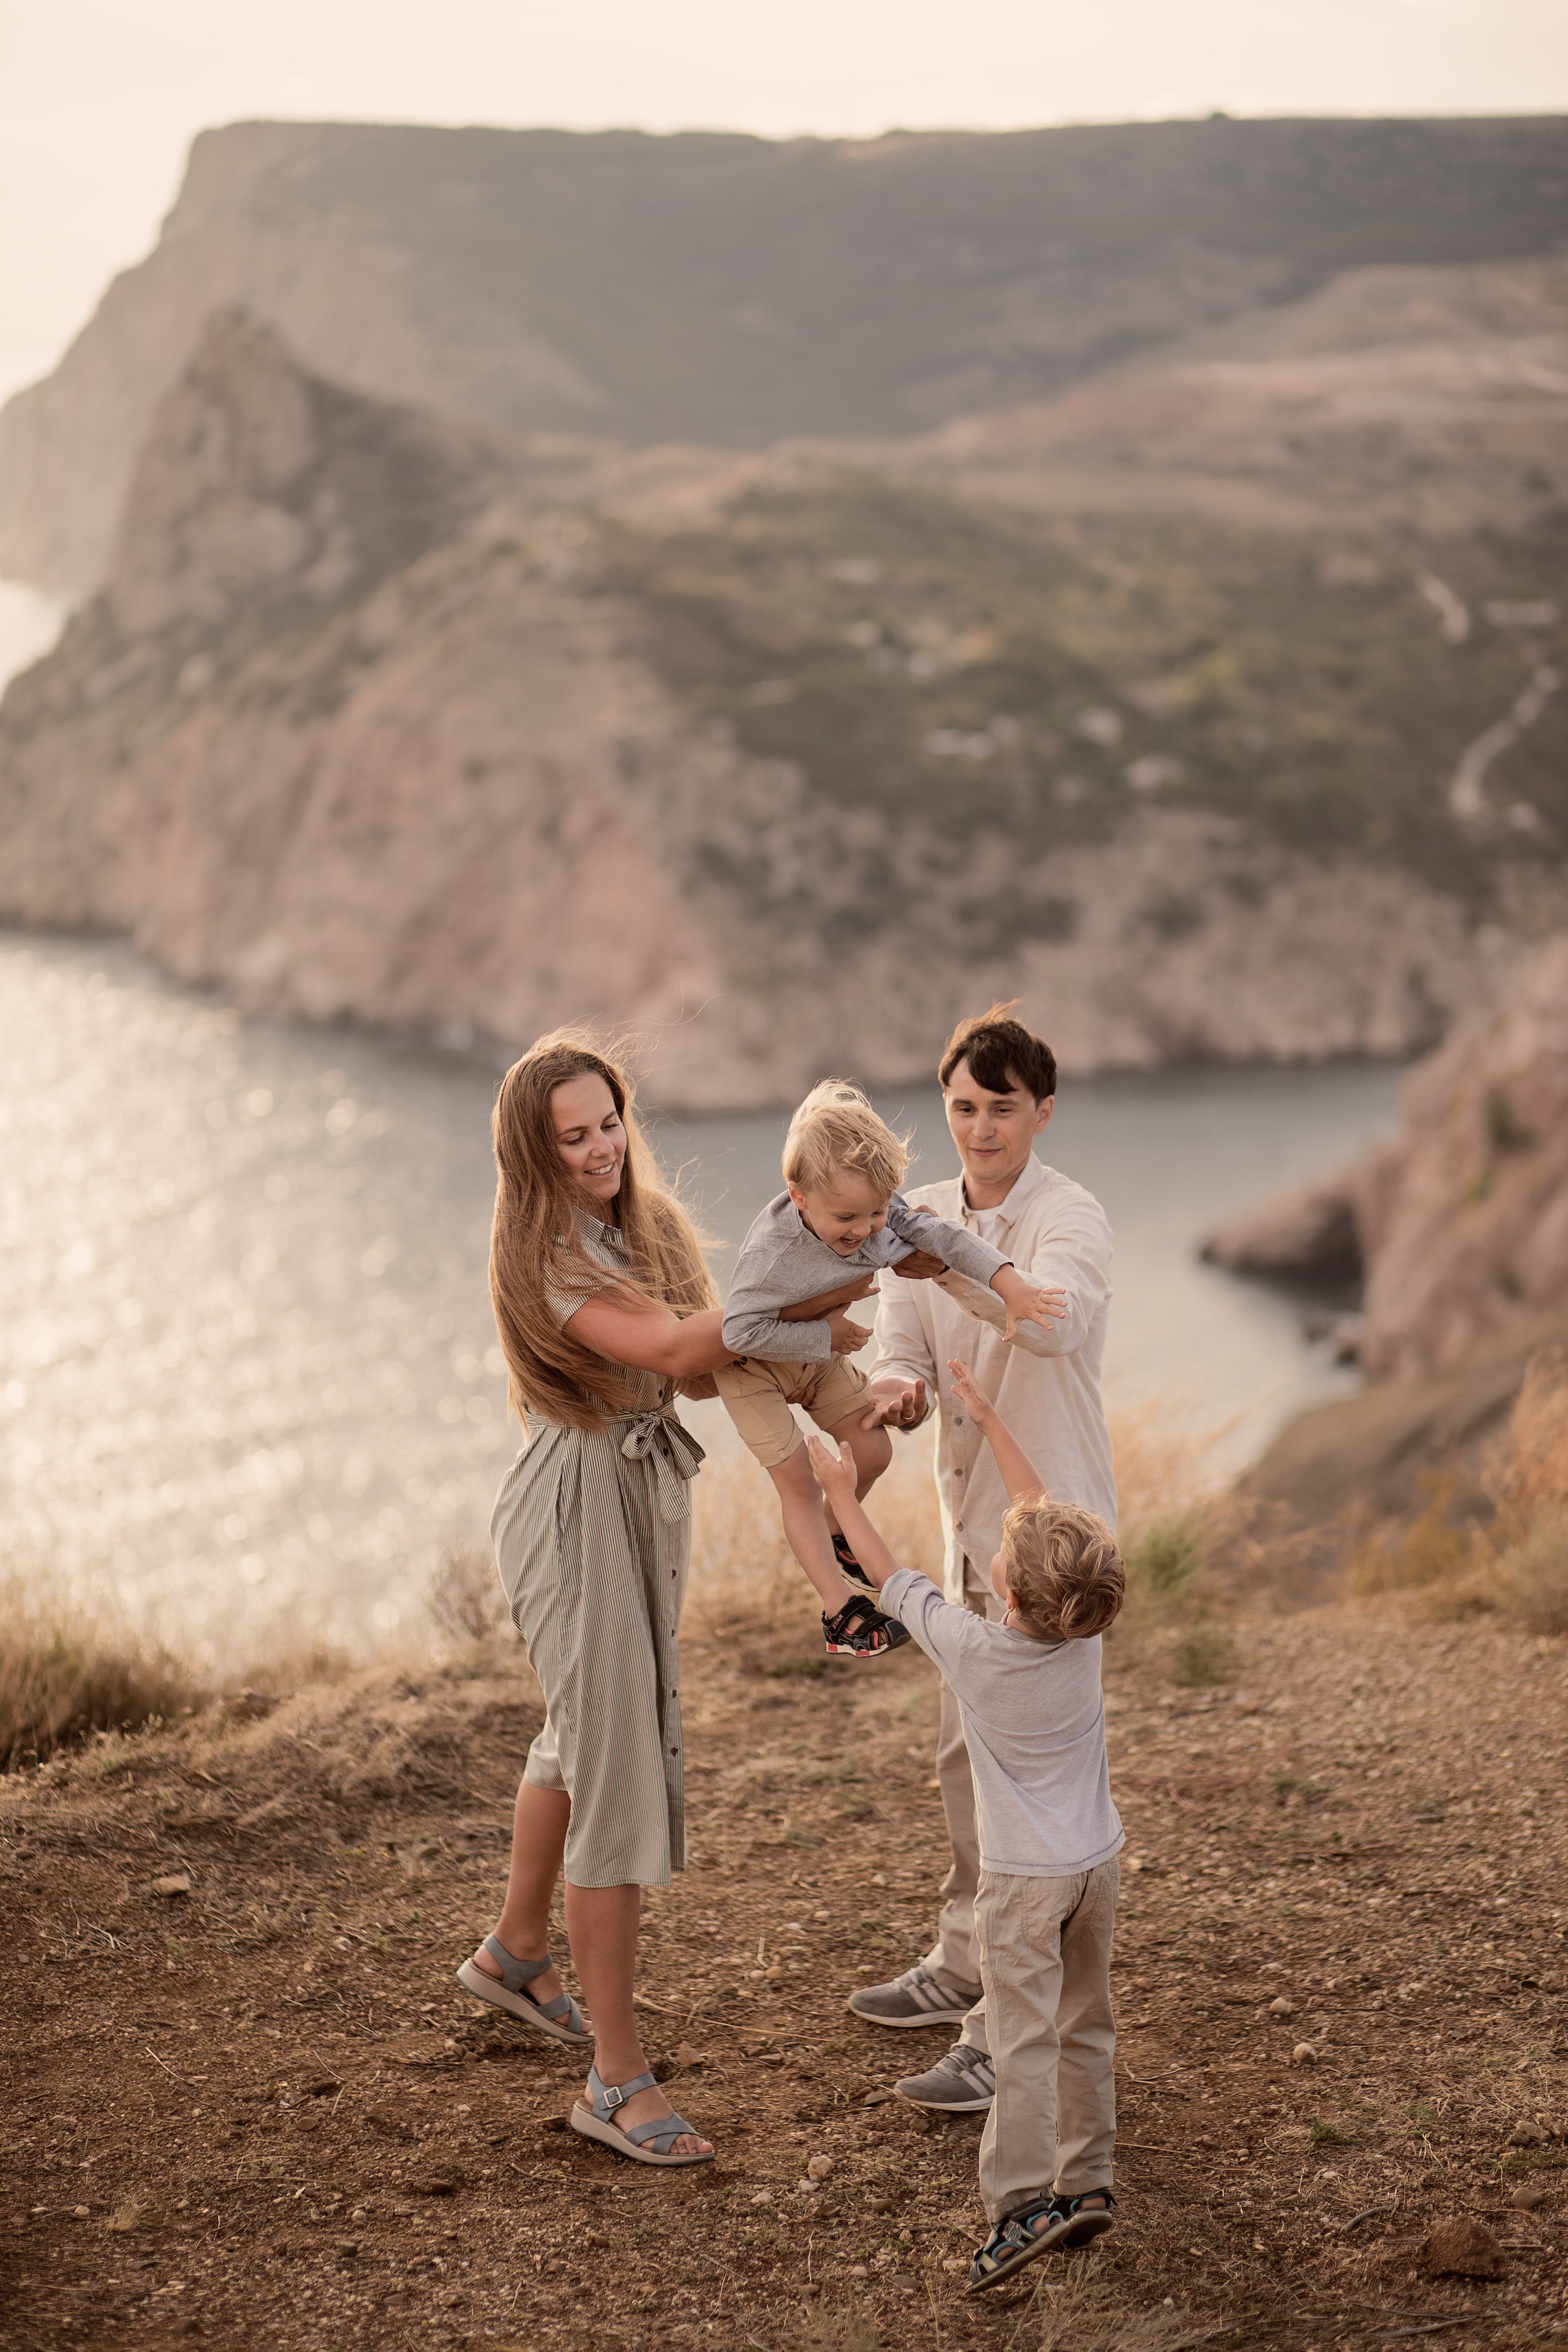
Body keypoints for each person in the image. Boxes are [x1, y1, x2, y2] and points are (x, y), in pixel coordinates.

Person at [454, 1031, 741, 2167]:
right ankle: (615, 2080)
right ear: (535, 1152)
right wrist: (819, 1262)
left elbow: (711, 1369)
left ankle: (516, 1955)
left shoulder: (650, 1228)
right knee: (614, 1760)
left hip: (637, 1493)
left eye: (609, 1122)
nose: (599, 1149)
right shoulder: (547, 1251)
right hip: (575, 1502)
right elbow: (677, 1348)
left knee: (583, 1734)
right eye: (571, 1137)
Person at [848, 1005, 1116, 2117]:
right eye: (963, 1107)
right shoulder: (917, 1226)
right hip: (973, 1533)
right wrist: (896, 1394)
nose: (980, 1128)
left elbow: (1049, 1325)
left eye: (1002, 1109)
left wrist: (955, 1260)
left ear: (1041, 1112)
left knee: (1029, 1791)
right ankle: (966, 1959)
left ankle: (998, 2031)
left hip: (1056, 1554)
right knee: (966, 1767)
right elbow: (902, 1353)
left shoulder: (1071, 1217)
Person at [807, 1357, 1123, 2292]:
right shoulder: (1085, 1632)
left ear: (1011, 1596)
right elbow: (1043, 1519)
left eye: (1005, 1561)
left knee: (1020, 2044)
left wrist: (836, 1488)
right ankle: (1090, 2179)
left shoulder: (974, 1649)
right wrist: (985, 1417)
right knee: (1085, 2024)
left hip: (1023, 1886)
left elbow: (886, 1569)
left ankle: (1021, 2207)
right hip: (1097, 1869)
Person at [717, 1079, 1065, 1660]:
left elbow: (948, 1239)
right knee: (799, 1478)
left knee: (873, 1450)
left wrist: (1011, 1287)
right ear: (799, 1197)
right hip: (755, 1366)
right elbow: (737, 1332)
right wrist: (825, 1334)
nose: (867, 1230)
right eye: (847, 1218)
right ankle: (840, 1613)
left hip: (815, 1353)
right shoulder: (771, 1254)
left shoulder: (882, 1217)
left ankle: (836, 1533)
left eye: (879, 1211)